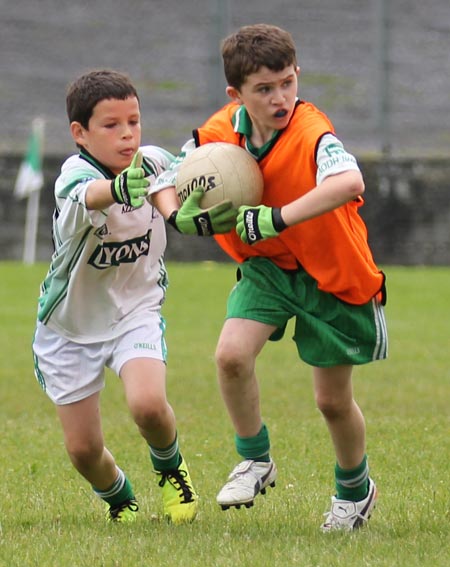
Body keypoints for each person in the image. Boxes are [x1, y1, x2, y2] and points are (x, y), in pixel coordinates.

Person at [151, 24, 388, 531]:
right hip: (269, 269)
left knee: (331, 401)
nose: (280, 97)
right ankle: (255, 458)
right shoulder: (218, 135)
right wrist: (176, 215)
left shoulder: (311, 131)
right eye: (264, 89)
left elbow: (350, 181)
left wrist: (277, 216)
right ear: (236, 95)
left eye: (287, 82)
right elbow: (161, 174)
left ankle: (354, 491)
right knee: (231, 357)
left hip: (332, 272)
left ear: (297, 76)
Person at [32, 69, 236, 524]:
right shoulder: (74, 176)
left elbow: (167, 190)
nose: (127, 134)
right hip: (70, 327)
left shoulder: (151, 161)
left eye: (134, 122)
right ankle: (117, 493)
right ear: (79, 133)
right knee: (84, 450)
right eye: (111, 125)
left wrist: (182, 217)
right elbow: (88, 195)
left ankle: (170, 469)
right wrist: (118, 189)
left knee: (147, 405)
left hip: (135, 312)